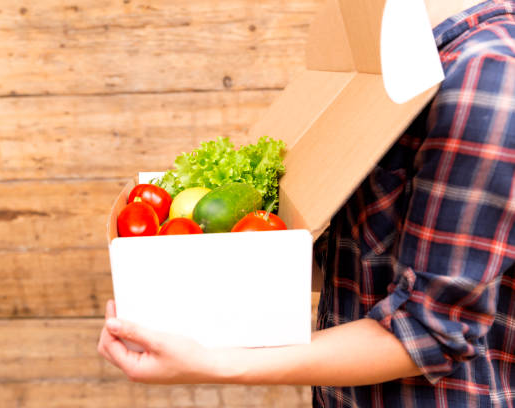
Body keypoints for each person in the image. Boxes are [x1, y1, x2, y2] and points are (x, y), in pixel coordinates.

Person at [98, 1, 515, 406]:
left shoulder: (487, 71)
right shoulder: (394, 48)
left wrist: (215, 362)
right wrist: (195, 275)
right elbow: (358, 260)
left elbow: (430, 332)